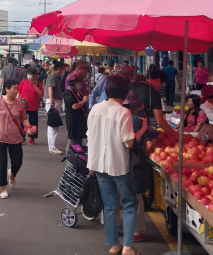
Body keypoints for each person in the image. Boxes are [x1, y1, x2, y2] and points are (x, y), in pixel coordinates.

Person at [87, 75, 138, 255]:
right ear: (124, 92)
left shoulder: (94, 109)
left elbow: (90, 136)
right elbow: (129, 142)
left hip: (98, 164)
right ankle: (128, 247)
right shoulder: (124, 112)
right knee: (129, 203)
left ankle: (113, 244)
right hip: (118, 164)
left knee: (109, 205)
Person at [0, 79, 33, 199]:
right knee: (2, 163)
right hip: (0, 136)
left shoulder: (19, 103)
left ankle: (12, 173)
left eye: (17, 88)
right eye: (14, 88)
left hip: (16, 138)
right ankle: (3, 186)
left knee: (17, 161)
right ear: (6, 89)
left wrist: (28, 127)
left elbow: (24, 118)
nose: (16, 91)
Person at [122, 90, 150, 243]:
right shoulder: (133, 118)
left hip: (112, 160)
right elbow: (132, 142)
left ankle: (111, 227)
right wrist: (145, 128)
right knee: (135, 198)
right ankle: (136, 232)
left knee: (115, 195)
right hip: (129, 161)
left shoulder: (117, 115)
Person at [129, 69, 176, 137]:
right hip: (138, 125)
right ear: (158, 80)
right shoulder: (153, 93)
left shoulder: (131, 85)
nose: (160, 88)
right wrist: (174, 134)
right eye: (161, 85)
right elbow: (160, 121)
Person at [63, 72, 89, 147]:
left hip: (79, 120)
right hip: (73, 120)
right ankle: (70, 156)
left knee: (79, 140)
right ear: (73, 82)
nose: (80, 84)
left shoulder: (77, 91)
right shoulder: (68, 92)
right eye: (79, 82)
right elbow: (74, 106)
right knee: (72, 140)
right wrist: (84, 101)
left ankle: (78, 156)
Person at [45, 62, 66, 155]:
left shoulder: (54, 77)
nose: (64, 71)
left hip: (55, 101)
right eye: (63, 69)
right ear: (59, 68)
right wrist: (52, 101)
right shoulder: (52, 76)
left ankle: (53, 146)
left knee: (54, 125)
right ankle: (52, 147)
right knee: (53, 126)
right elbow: (50, 89)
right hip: (53, 101)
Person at [18, 68, 42, 145]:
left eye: (31, 74)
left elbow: (41, 94)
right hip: (23, 105)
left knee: (33, 122)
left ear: (35, 76)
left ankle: (32, 138)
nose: (29, 76)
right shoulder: (24, 81)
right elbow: (19, 92)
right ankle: (22, 135)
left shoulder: (38, 83)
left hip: (33, 106)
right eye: (28, 74)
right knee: (21, 122)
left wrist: (35, 86)